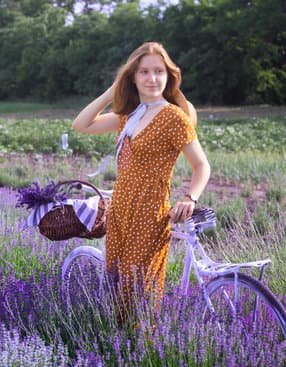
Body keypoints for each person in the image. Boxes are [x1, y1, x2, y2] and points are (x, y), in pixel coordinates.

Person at [71, 42, 210, 320]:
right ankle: (118, 348)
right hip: (119, 211)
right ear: (133, 77)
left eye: (159, 71)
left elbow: (201, 165)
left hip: (150, 213)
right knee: (116, 289)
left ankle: (142, 349)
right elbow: (81, 124)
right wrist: (112, 92)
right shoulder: (129, 116)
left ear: (169, 76)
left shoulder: (174, 117)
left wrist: (190, 197)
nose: (152, 78)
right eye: (144, 72)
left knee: (139, 293)